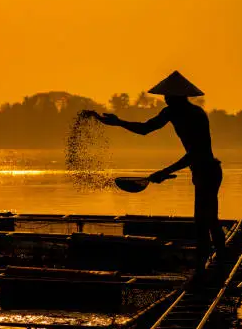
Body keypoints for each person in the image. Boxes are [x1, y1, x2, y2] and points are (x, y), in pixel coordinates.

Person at [83, 71, 225, 273]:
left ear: (179, 97)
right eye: (165, 96)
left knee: (205, 221)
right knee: (206, 219)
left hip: (209, 171)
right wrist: (118, 122)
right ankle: (213, 263)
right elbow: (145, 129)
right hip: (200, 172)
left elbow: (196, 152)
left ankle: (210, 267)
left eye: (168, 96)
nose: (165, 99)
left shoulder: (196, 115)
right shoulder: (170, 112)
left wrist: (165, 171)